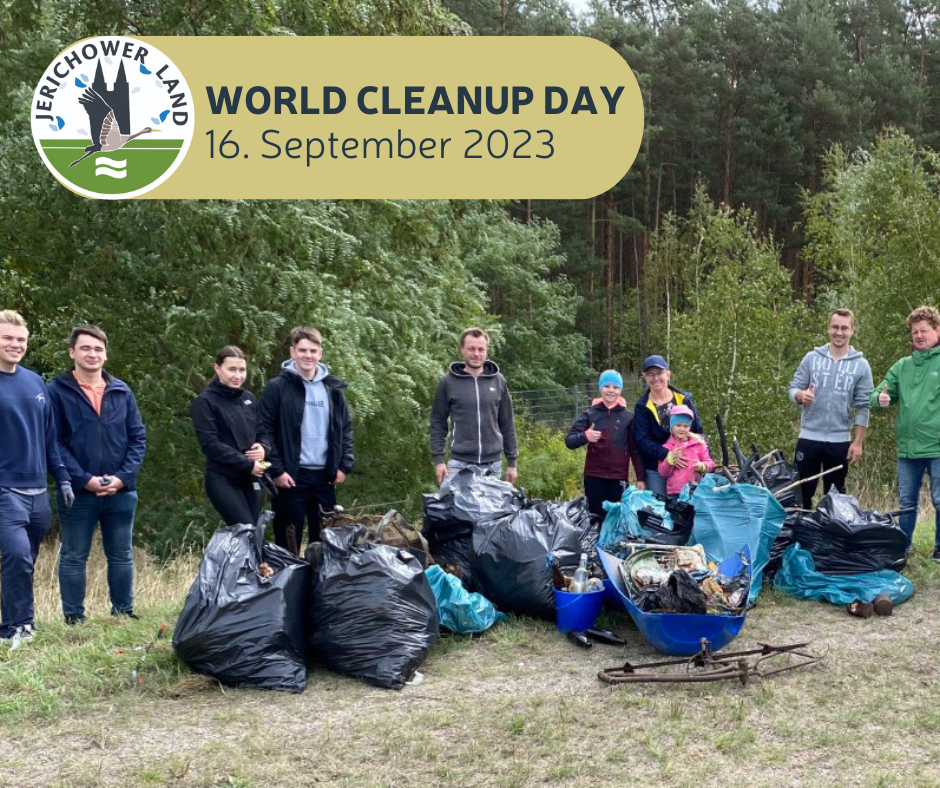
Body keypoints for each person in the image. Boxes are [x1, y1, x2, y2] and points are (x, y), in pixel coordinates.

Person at [48, 325, 146, 624]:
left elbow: (137, 438)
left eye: (98, 349)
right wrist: (84, 480)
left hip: (121, 489)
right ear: (72, 352)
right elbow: (54, 442)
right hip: (77, 491)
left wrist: (122, 477)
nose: (92, 354)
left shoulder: (121, 391)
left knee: (121, 555)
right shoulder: (56, 391)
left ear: (106, 354)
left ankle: (123, 613)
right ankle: (74, 618)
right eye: (86, 348)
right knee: (74, 556)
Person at [0, 310, 73, 644]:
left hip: (38, 490)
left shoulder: (34, 382)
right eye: (7, 338)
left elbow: (49, 439)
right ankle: (20, 625)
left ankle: (14, 625)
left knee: (24, 560)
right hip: (5, 488)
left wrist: (63, 478)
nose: (15, 345)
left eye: (20, 340)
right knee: (16, 555)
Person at [260, 327, 353, 550]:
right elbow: (264, 431)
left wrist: (344, 465)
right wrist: (276, 471)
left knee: (325, 545)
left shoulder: (333, 389)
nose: (307, 355)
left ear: (320, 353)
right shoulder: (276, 387)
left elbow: (345, 429)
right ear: (292, 352)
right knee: (288, 543)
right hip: (290, 476)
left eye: (313, 351)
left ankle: (318, 575)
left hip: (325, 477)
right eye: (302, 350)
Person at [870, 305, 940, 559]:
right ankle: (903, 547)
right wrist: (880, 400)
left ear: (937, 331)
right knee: (906, 503)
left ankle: (939, 549)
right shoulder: (902, 366)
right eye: (914, 332)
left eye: (924, 331)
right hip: (908, 448)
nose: (919, 336)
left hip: (937, 447)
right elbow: (875, 395)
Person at [788, 309, 873, 509]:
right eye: (835, 327)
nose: (839, 332)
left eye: (844, 328)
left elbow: (863, 406)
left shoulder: (861, 366)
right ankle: (800, 529)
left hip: (839, 441)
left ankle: (829, 531)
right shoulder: (811, 358)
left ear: (852, 330)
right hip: (808, 438)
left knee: (835, 501)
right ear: (828, 329)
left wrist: (858, 442)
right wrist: (800, 396)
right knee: (800, 496)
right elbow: (793, 389)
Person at [430, 327, 518, 487]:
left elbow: (507, 423)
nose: (476, 354)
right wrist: (439, 460)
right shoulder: (448, 382)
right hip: (459, 465)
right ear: (462, 349)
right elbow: (437, 422)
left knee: (492, 505)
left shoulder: (498, 381)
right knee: (454, 504)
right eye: (471, 349)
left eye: (481, 349)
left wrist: (512, 462)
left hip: (492, 466)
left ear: (486, 351)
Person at [191, 346, 268, 527]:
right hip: (223, 479)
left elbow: (262, 432)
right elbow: (210, 444)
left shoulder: (249, 398)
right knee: (245, 530)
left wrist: (263, 448)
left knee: (254, 533)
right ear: (217, 368)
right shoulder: (204, 402)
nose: (238, 375)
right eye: (232, 369)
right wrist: (248, 464)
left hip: (252, 478)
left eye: (242, 370)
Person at [565, 369, 645, 524]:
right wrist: (585, 436)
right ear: (600, 388)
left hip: (618, 478)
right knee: (596, 519)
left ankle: (614, 540)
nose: (611, 390)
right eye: (606, 386)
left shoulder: (628, 418)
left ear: (620, 390)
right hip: (594, 477)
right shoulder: (590, 414)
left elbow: (635, 451)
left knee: (617, 520)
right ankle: (596, 540)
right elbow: (569, 441)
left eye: (615, 387)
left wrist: (641, 478)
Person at [632, 355, 705, 496]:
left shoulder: (683, 399)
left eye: (659, 373)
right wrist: (668, 455)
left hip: (687, 467)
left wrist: (703, 461)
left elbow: (698, 431)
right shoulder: (642, 406)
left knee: (687, 506)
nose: (655, 378)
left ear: (668, 375)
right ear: (645, 378)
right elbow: (642, 440)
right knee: (659, 507)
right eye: (650, 374)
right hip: (655, 468)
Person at [657, 405, 715, 497]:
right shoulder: (667, 447)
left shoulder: (698, 444)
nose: (682, 429)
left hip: (696, 490)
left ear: (689, 427)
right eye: (678, 425)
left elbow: (710, 464)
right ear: (672, 426)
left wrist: (702, 466)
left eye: (685, 426)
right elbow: (663, 473)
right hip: (675, 493)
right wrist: (670, 460)